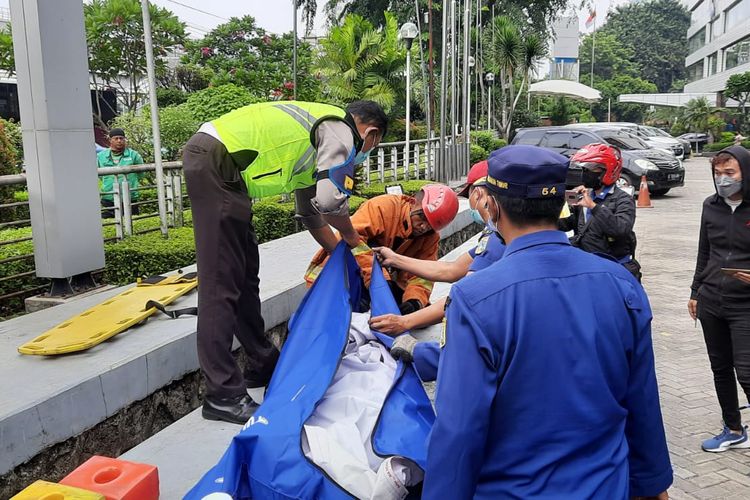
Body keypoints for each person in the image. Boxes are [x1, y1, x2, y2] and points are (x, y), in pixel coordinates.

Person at [423, 144, 672, 498]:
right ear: (560, 204)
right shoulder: (621, 284)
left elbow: (460, 430)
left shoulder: (476, 298)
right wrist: (653, 485)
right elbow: (642, 400)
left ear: (492, 205)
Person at [183, 100, 387, 424]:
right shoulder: (341, 131)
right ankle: (222, 395)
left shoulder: (319, 140)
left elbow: (312, 213)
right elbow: (332, 202)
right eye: (373, 147)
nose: (366, 153)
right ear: (371, 134)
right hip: (216, 161)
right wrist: (354, 241)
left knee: (246, 277)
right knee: (220, 284)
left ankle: (261, 363)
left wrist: (342, 254)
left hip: (225, 172)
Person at [305, 184, 459, 314]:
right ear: (413, 202)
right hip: (340, 277)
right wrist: (382, 282)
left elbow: (424, 273)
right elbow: (350, 242)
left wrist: (415, 301)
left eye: (431, 226)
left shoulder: (430, 237)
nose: (424, 227)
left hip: (378, 282)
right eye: (422, 218)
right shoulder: (383, 207)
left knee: (417, 313)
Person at [688, 145, 750, 452]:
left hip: (745, 304)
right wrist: (695, 291)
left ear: (745, 173)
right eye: (718, 173)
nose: (723, 180)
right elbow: (704, 251)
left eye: (730, 173)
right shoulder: (710, 206)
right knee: (721, 368)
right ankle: (734, 429)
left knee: (747, 372)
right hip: (712, 299)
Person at [559, 143, 641, 280]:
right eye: (584, 169)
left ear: (607, 171)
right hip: (587, 268)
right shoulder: (585, 197)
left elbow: (620, 229)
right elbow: (570, 224)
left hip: (614, 270)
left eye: (591, 169)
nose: (586, 174)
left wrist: (593, 206)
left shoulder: (623, 200)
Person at [97, 128, 144, 218]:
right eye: (116, 138)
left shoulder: (134, 155)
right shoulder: (101, 156)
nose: (119, 141)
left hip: (130, 196)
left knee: (132, 221)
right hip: (109, 197)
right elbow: (100, 175)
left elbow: (141, 173)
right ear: (110, 140)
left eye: (121, 138)